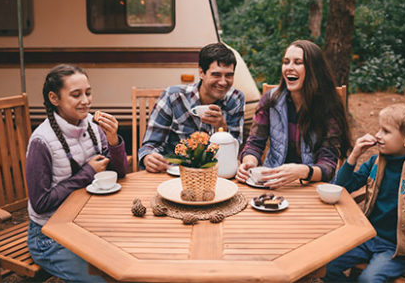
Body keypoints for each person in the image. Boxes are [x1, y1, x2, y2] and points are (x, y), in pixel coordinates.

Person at [26, 64, 128, 282]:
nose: (86, 100)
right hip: (49, 236)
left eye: (88, 93)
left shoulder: (92, 124)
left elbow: (118, 175)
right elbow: (40, 203)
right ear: (54, 98)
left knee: (130, 266)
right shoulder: (41, 141)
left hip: (89, 225)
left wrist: (113, 141)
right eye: (76, 94)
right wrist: (87, 172)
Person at [325, 103, 405, 283]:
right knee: (326, 266)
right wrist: (353, 156)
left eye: (385, 131)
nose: (378, 135)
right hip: (366, 237)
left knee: (368, 280)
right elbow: (343, 187)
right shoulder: (375, 162)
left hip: (396, 249)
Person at [236, 39, 351, 187]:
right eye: (286, 62)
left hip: (313, 185)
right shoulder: (270, 100)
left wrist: (301, 171)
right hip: (272, 182)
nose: (289, 68)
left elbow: (328, 167)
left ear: (314, 69)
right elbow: (254, 144)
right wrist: (249, 162)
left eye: (298, 62)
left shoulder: (329, 105)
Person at [139, 42, 245, 172]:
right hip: (174, 173)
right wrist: (149, 157)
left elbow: (235, 152)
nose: (223, 82)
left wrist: (221, 127)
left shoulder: (235, 99)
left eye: (229, 75)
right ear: (201, 72)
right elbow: (150, 145)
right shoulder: (173, 97)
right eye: (216, 75)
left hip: (215, 175)